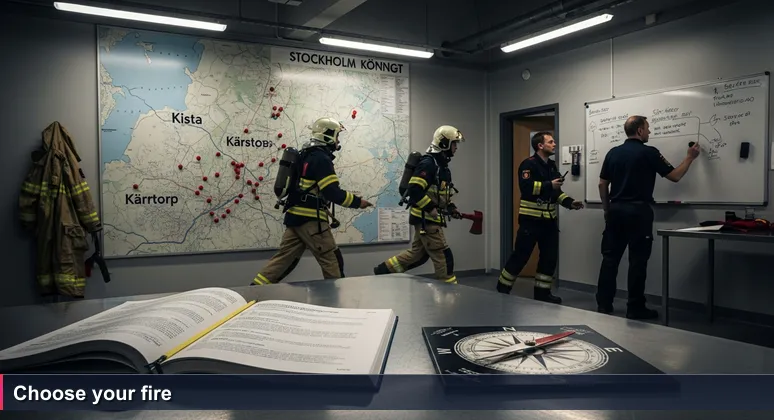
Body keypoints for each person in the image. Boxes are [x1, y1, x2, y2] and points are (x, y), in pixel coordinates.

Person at [596, 115, 700, 319]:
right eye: (648, 128)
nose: (650, 132)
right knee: (637, 261)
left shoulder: (613, 153)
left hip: (616, 211)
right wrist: (689, 157)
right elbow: (675, 176)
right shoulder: (649, 153)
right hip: (638, 213)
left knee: (610, 259)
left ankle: (604, 305)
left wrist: (607, 209)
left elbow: (602, 184)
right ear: (640, 131)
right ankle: (635, 308)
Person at [251, 117, 372, 286]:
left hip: (295, 217)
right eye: (337, 136)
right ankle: (336, 301)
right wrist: (358, 202)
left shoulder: (305, 155)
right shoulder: (321, 159)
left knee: (283, 261)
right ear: (328, 135)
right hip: (311, 221)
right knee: (332, 259)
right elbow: (332, 192)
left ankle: (255, 290)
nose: (338, 141)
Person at [496, 131, 584, 304]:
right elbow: (527, 188)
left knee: (549, 258)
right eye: (551, 142)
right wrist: (548, 184)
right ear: (540, 146)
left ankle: (542, 294)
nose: (554, 144)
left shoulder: (551, 166)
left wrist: (570, 203)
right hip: (531, 221)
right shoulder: (528, 165)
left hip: (549, 222)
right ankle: (502, 289)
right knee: (520, 256)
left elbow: (556, 192)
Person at [373, 125, 465, 284]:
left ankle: (383, 271)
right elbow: (415, 189)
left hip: (427, 219)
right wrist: (430, 208)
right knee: (444, 256)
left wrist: (451, 208)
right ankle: (449, 294)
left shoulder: (442, 165)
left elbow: (440, 194)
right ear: (444, 143)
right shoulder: (429, 163)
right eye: (454, 143)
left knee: (418, 255)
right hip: (426, 219)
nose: (456, 147)